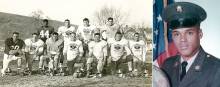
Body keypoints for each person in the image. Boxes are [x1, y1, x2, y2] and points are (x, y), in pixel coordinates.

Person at [161, 2, 220, 87]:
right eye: (177, 34)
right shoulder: (167, 65)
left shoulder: (216, 69)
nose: (182, 40)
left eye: (189, 33)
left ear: (200, 34)